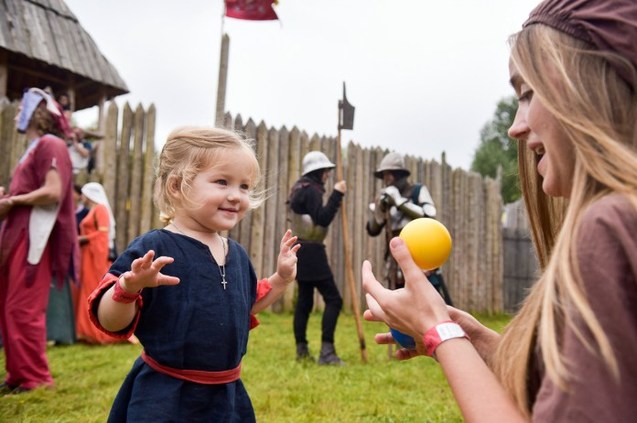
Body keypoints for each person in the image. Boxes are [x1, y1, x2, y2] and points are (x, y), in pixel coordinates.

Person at [362, 0, 637, 420]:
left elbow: (425, 215)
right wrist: (476, 341)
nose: (515, 126)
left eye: (528, 93)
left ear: (588, 92)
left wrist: (441, 332)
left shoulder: (610, 225)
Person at [87, 126, 300, 422]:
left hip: (225, 396)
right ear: (177, 186)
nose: (236, 196)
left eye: (244, 186)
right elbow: (109, 320)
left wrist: (280, 279)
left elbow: (245, 306)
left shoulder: (236, 254)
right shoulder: (154, 248)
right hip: (166, 396)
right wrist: (128, 288)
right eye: (222, 181)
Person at [0, 88, 78, 394]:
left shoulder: (50, 143)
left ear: (37, 112)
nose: (18, 113)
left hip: (33, 238)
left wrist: (13, 201)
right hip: (16, 234)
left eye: (23, 108)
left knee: (23, 307)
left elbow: (53, 191)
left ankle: (36, 378)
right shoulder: (32, 149)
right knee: (9, 306)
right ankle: (17, 375)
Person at [366, 152, 453, 305]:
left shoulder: (417, 191)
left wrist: (399, 202)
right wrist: (380, 210)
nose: (386, 179)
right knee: (399, 302)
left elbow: (428, 216)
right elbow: (373, 230)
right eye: (385, 175)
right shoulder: (385, 198)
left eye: (389, 175)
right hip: (395, 256)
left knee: (429, 301)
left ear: (399, 175)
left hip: (420, 253)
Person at [288, 151, 347, 365]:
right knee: (334, 299)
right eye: (326, 172)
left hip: (300, 249)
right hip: (311, 251)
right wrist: (337, 195)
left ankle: (302, 351)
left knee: (304, 301)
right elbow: (321, 219)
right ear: (318, 172)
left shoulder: (298, 187)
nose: (328, 176)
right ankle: (327, 353)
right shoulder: (311, 190)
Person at [74, 182, 124, 344]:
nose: (81, 197)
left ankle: (98, 334)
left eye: (83, 194)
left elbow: (103, 235)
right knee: (86, 289)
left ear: (89, 195)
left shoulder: (100, 209)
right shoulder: (94, 209)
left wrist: (84, 238)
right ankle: (85, 332)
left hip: (95, 256)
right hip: (88, 254)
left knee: (92, 288)